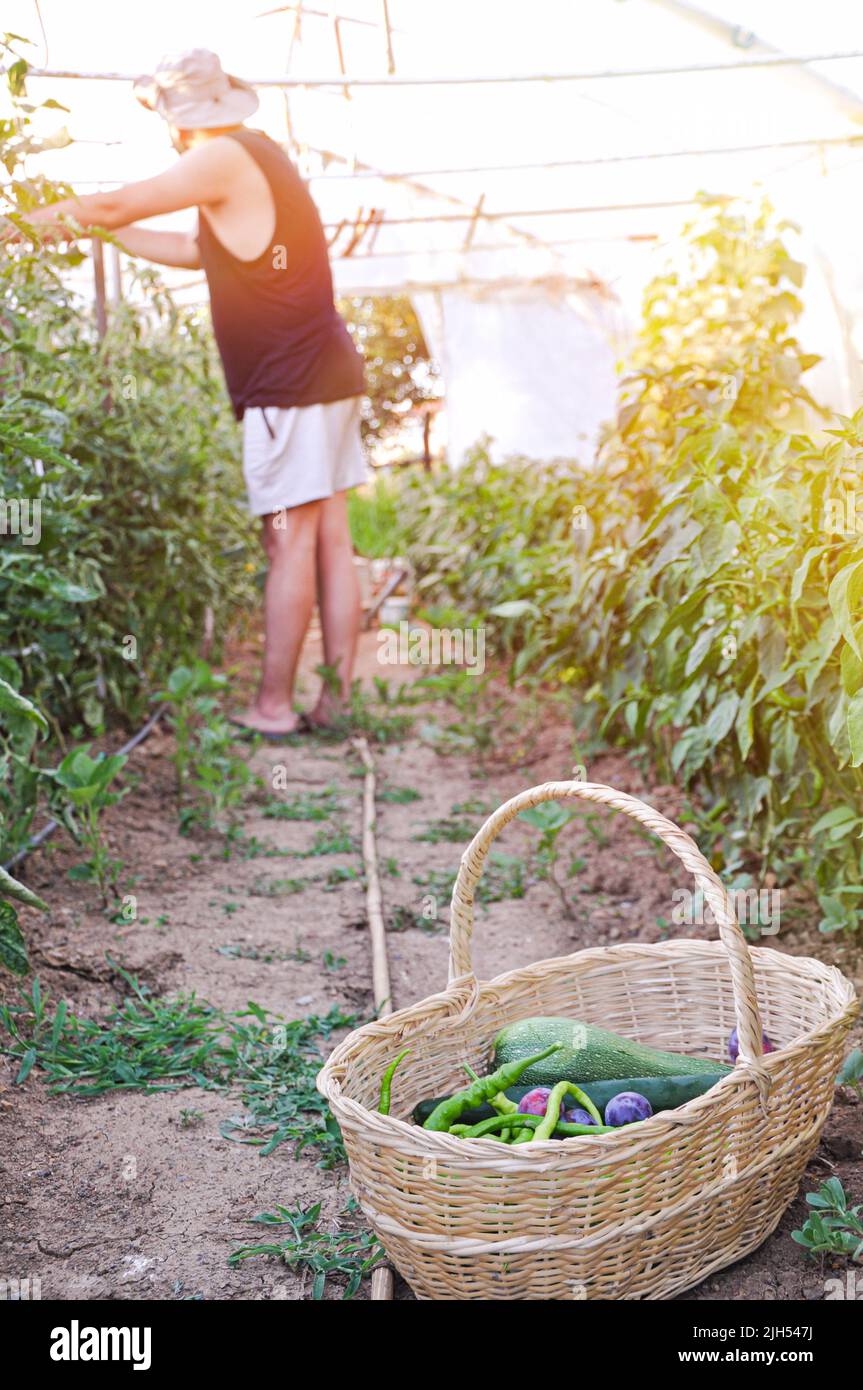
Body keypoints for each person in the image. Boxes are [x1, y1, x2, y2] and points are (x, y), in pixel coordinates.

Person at [25, 49, 367, 738]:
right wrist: (101, 226)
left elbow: (119, 200)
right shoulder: (257, 155)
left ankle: (271, 708)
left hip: (289, 384)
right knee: (328, 535)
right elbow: (195, 251)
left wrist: (28, 222)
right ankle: (337, 703)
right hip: (326, 372)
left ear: (178, 122)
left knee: (289, 540)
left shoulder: (218, 157)